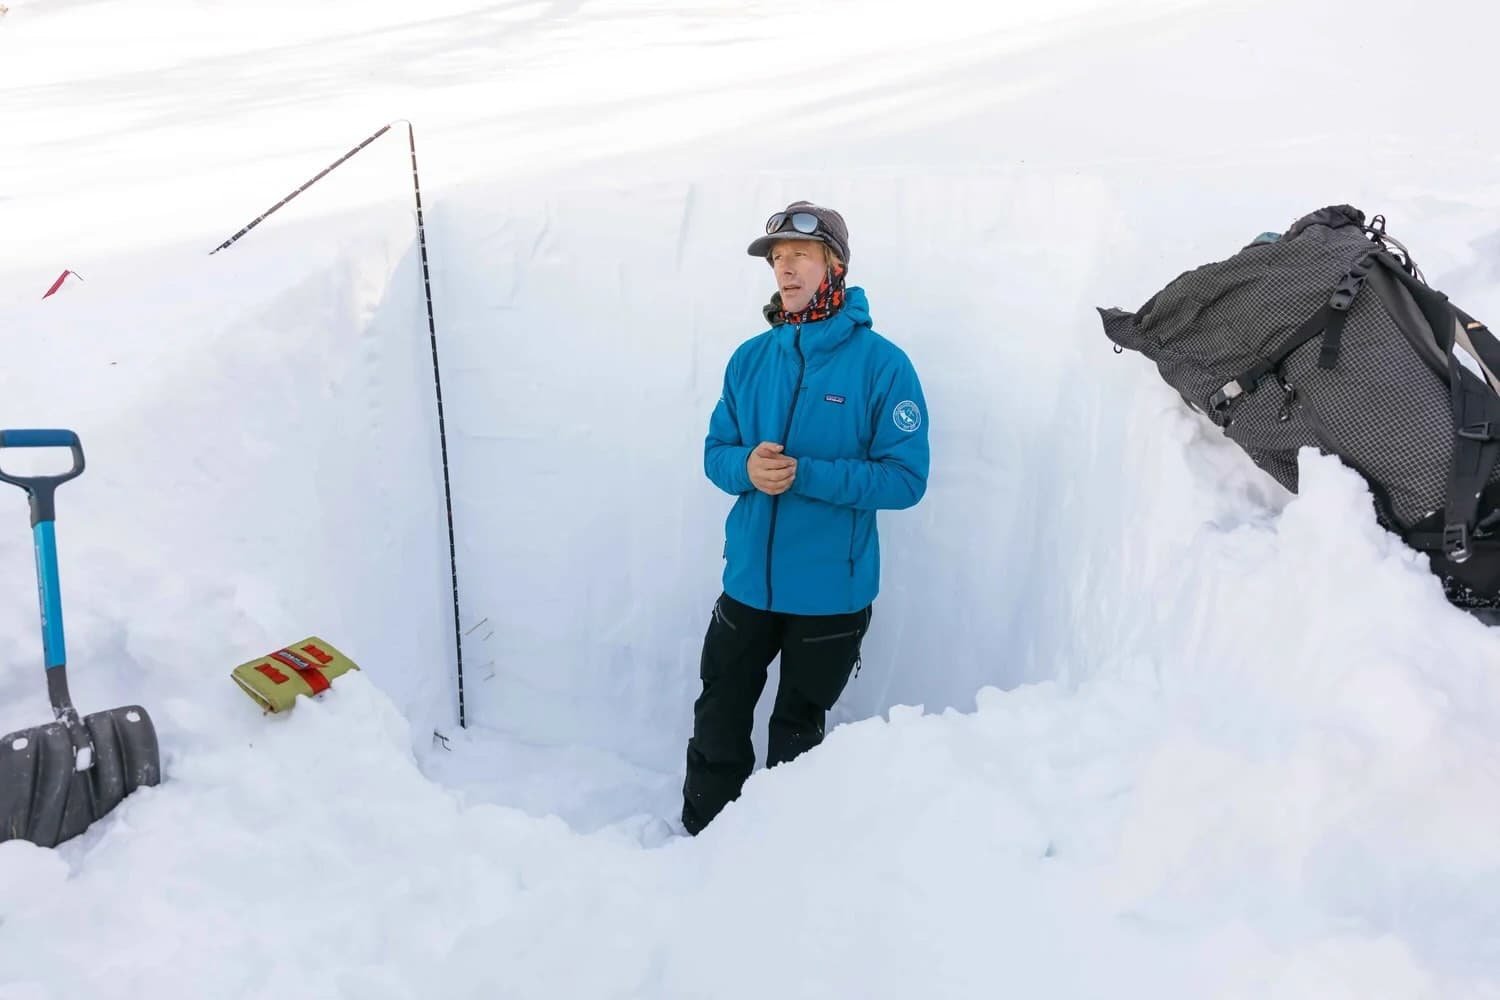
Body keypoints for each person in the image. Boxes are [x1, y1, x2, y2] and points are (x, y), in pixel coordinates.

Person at [680, 200, 931, 835]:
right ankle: (702, 844)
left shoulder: (883, 366)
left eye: (799, 256)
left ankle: (783, 861)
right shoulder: (750, 359)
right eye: (776, 258)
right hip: (747, 586)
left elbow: (906, 479)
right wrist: (745, 469)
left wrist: (806, 474)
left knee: (796, 733)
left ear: (834, 265)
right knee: (719, 716)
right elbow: (716, 453)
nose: (784, 269)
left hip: (830, 596)